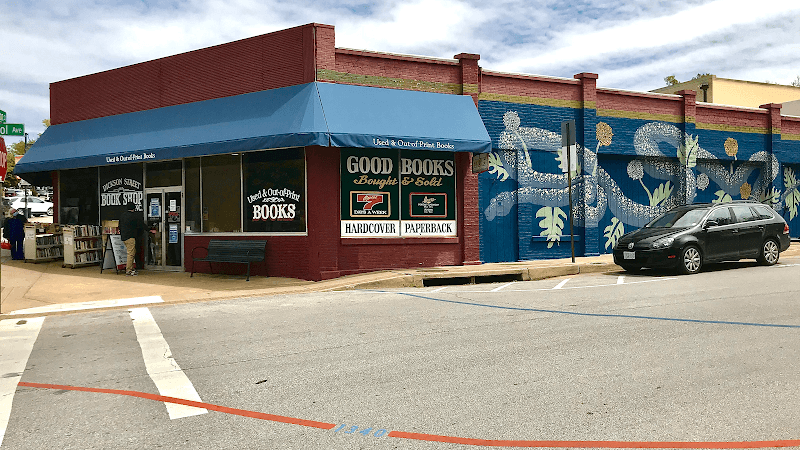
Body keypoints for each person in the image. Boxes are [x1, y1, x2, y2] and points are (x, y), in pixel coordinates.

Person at [119, 202, 145, 276]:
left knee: (131, 252)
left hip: (124, 237)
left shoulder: (123, 216)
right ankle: (129, 270)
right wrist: (149, 229)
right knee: (131, 253)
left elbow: (120, 225)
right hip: (130, 237)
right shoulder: (134, 216)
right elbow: (141, 224)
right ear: (134, 208)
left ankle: (131, 268)